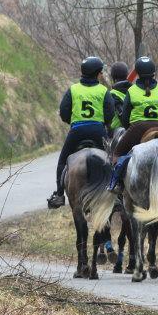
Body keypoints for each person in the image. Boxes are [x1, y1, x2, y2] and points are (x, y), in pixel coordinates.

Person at [47, 56, 115, 209]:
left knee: (62, 161)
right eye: (101, 73)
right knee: (110, 160)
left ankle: (59, 195)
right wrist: (103, 123)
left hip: (77, 130)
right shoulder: (104, 91)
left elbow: (64, 112)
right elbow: (110, 114)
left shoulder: (73, 89)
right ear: (97, 74)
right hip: (98, 130)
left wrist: (72, 121)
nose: (102, 75)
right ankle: (115, 194)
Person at [107, 56, 158, 192]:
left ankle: (116, 183)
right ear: (154, 72)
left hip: (138, 128)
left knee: (117, 153)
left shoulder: (132, 91)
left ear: (138, 74)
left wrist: (129, 127)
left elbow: (125, 117)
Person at [107, 61, 131, 131]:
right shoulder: (134, 91)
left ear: (113, 77)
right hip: (134, 128)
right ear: (126, 75)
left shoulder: (111, 94)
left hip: (115, 131)